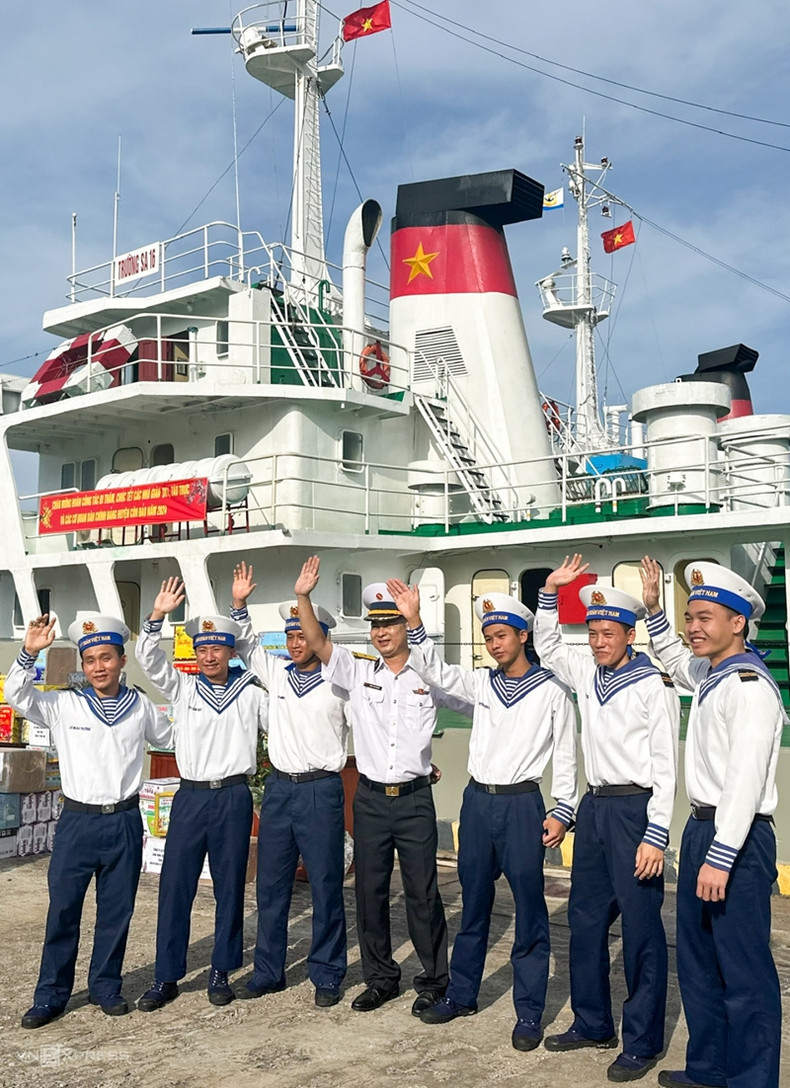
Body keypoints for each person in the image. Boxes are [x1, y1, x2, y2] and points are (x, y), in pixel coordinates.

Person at [386, 580, 577, 1052]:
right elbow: (437, 672)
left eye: (502, 636)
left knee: (530, 912)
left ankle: (529, 1012)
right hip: (478, 802)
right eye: (488, 637)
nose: (494, 645)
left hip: (521, 804)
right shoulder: (483, 683)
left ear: (522, 637)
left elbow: (568, 756)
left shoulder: (552, 691)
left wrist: (563, 810)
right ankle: (463, 994)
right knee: (473, 906)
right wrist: (414, 621)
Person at [293, 556, 473, 1015]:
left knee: (423, 894)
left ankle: (434, 979)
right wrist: (303, 597)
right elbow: (316, 640)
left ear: (405, 627)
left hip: (413, 801)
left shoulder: (428, 678)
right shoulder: (358, 673)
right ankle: (380, 978)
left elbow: (479, 705)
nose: (381, 633)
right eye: (376, 625)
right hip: (372, 799)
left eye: (390, 624)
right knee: (369, 892)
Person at [533, 556, 679, 1084]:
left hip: (635, 809)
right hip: (594, 809)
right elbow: (547, 645)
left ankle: (641, 1040)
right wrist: (550, 591)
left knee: (641, 930)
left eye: (607, 632)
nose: (597, 641)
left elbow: (666, 766)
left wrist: (656, 833)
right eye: (592, 632)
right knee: (585, 920)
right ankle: (592, 1021)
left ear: (628, 633)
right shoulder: (587, 673)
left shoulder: (653, 685)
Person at [641, 557, 784, 1088]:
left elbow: (745, 781)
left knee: (743, 971)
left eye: (704, 617)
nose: (692, 627)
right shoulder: (711, 672)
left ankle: (751, 1080)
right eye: (689, 616)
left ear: (738, 622)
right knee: (700, 964)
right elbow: (677, 660)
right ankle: (709, 1070)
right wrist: (653, 610)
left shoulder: (749, 686)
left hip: (737, 837)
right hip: (704, 828)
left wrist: (721, 856)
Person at [5, 613, 172, 1028]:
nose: (99, 667)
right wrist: (29, 652)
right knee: (63, 911)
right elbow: (15, 695)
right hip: (77, 822)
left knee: (117, 912)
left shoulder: (142, 708)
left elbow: (172, 738)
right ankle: (51, 995)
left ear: (121, 660)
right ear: (82, 665)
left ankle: (105, 986)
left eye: (107, 658)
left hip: (124, 822)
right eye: (91, 659)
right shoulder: (62, 704)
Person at [135, 578, 268, 1011]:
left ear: (231, 651)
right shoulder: (183, 687)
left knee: (230, 887)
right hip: (190, 797)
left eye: (218, 648)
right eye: (202, 648)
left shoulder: (251, 692)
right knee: (175, 887)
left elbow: (286, 726)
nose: (209, 655)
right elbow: (147, 659)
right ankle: (165, 975)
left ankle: (220, 971)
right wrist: (157, 615)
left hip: (232, 797)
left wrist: (241, 606)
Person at [228, 561, 351, 1007]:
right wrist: (238, 602)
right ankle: (268, 971)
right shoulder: (277, 673)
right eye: (292, 635)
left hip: (321, 789)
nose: (297, 642)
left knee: (325, 885)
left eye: (305, 634)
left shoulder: (341, 681)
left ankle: (327, 973)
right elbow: (244, 643)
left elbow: (374, 728)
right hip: (279, 790)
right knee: (271, 886)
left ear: (323, 638)